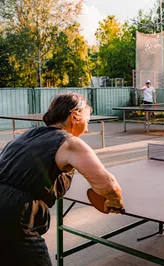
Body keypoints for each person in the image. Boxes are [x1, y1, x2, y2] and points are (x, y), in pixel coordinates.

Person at [0, 92, 125, 265]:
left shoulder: (25, 135)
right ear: (75, 116)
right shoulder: (70, 142)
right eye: (87, 121)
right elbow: (108, 185)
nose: (87, 129)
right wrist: (115, 202)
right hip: (13, 216)